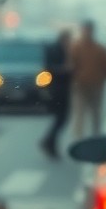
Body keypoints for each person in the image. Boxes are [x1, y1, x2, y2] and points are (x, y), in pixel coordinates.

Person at [70, 20, 106, 140]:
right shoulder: (78, 47)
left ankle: (93, 135)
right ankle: (80, 137)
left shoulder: (98, 49)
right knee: (81, 111)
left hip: (95, 83)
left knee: (93, 111)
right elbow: (72, 64)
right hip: (82, 84)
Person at [40, 29, 74, 159]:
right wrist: (65, 70)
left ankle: (50, 142)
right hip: (57, 89)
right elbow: (49, 68)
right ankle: (49, 142)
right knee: (61, 118)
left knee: (62, 119)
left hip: (64, 88)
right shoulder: (55, 50)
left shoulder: (67, 50)